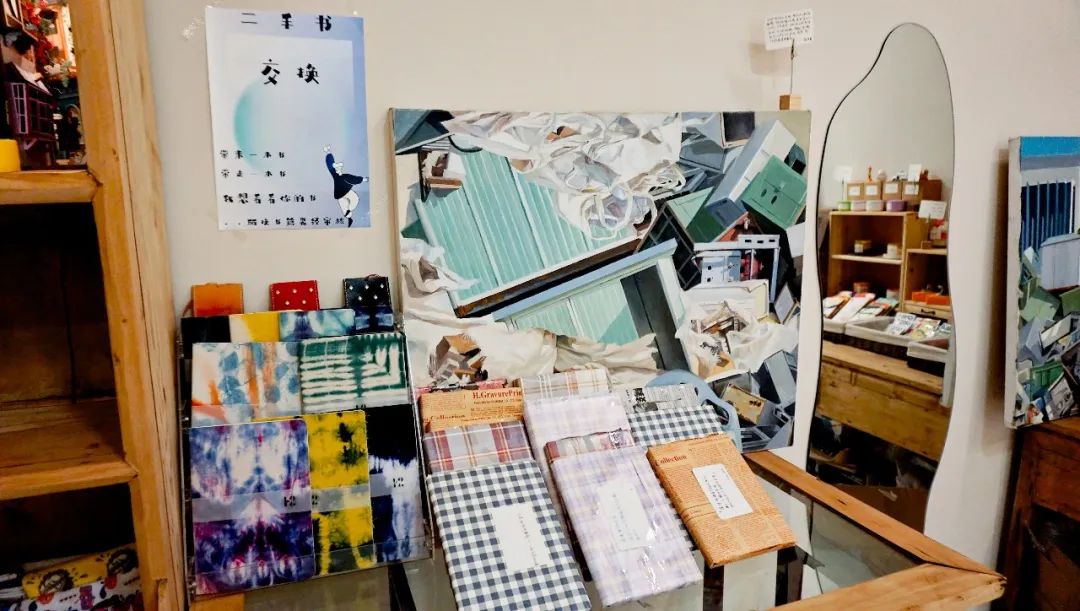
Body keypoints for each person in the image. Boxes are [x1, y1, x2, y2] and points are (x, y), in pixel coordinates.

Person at [324, 145, 368, 227]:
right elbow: (330, 165)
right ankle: (349, 218)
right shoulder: (335, 175)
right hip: (339, 194)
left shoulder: (345, 176)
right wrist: (328, 152)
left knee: (355, 199)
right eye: (336, 168)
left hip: (347, 191)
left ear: (340, 168)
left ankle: (349, 211)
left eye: (338, 168)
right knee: (344, 208)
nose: (337, 170)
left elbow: (354, 179)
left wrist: (364, 179)